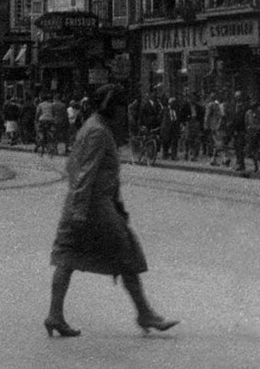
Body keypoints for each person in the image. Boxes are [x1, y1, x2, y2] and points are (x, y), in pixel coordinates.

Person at [44, 84, 177, 338]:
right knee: (127, 253)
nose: (124, 114)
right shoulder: (98, 132)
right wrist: (83, 211)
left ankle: (55, 315)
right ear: (111, 108)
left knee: (67, 256)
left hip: (87, 203)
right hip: (93, 206)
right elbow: (85, 173)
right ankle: (144, 313)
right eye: (121, 108)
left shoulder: (94, 127)